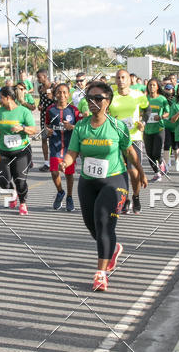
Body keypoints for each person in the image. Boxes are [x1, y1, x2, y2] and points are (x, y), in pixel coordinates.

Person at [60, 81, 147, 292]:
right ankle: (113, 248)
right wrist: (66, 162)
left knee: (103, 220)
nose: (93, 102)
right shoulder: (81, 126)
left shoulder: (117, 126)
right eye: (90, 98)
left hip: (114, 180)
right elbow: (73, 152)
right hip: (88, 182)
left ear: (108, 101)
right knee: (93, 226)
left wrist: (141, 171)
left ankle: (100, 273)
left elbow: (130, 152)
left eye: (98, 98)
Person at [110, 69, 148, 214]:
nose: (120, 80)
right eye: (118, 78)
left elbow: (147, 109)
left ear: (129, 80)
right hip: (117, 139)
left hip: (135, 137)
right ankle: (124, 199)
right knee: (120, 172)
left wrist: (143, 121)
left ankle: (136, 196)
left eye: (123, 77)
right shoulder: (111, 96)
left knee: (134, 171)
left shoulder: (138, 95)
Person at [0, 85, 37, 215]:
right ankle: (12, 192)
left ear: (8, 98)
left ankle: (23, 202)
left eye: (1, 98)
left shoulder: (23, 111)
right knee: (2, 178)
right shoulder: (0, 111)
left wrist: (22, 129)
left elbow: (33, 130)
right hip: (3, 150)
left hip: (21, 151)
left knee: (20, 179)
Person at [45, 82, 79, 211]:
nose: (62, 95)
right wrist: (47, 130)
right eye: (59, 92)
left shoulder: (74, 110)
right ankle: (60, 192)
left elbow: (80, 128)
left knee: (69, 174)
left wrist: (72, 127)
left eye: (65, 92)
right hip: (55, 145)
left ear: (69, 94)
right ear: (55, 94)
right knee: (54, 172)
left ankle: (69, 197)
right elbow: (47, 125)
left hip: (70, 148)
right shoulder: (50, 110)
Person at [143, 78, 169, 181]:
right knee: (149, 154)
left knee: (156, 153)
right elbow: (141, 111)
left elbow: (168, 112)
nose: (151, 87)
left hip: (159, 128)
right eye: (150, 85)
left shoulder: (162, 99)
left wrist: (161, 116)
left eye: (154, 85)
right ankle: (157, 172)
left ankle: (162, 162)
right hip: (147, 129)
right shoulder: (145, 99)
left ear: (157, 87)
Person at [36, 68, 53, 171]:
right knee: (43, 139)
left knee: (53, 140)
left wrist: (52, 98)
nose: (38, 79)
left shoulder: (53, 86)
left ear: (45, 76)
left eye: (39, 77)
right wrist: (40, 106)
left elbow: (58, 100)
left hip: (53, 116)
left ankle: (54, 161)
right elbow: (41, 101)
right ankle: (46, 163)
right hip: (43, 116)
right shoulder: (40, 88)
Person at [161, 82, 178, 170]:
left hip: (175, 125)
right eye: (166, 89)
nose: (168, 91)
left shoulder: (176, 100)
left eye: (169, 89)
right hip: (166, 124)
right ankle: (166, 163)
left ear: (173, 90)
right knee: (166, 144)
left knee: (175, 145)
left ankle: (177, 160)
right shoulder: (162, 99)